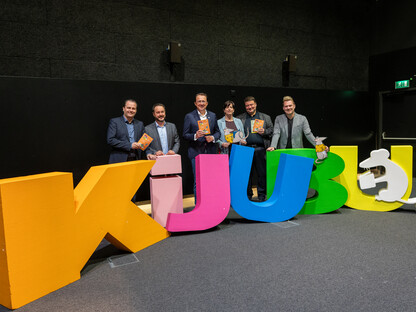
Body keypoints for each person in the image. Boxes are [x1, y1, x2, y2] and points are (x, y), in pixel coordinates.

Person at [183, 93, 221, 199]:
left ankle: (210, 204)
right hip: (196, 153)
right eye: (199, 101)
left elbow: (218, 133)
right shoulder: (189, 116)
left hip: (210, 152)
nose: (201, 103)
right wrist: (195, 135)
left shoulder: (212, 116)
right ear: (195, 103)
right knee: (198, 182)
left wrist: (212, 137)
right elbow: (185, 135)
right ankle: (198, 207)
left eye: (203, 101)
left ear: (207, 103)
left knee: (211, 181)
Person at [237, 96, 273, 202]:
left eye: (251, 104)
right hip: (246, 150)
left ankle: (261, 195)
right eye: (247, 105)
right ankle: (248, 195)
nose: (249, 107)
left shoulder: (265, 117)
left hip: (261, 149)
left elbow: (272, 130)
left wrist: (264, 132)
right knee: (247, 174)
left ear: (255, 104)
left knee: (262, 174)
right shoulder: (240, 118)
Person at [107, 99, 144, 164]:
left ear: (136, 110)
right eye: (128, 108)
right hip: (119, 160)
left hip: (136, 160)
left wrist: (151, 152)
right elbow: (110, 140)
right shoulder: (115, 122)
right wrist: (130, 145)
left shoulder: (140, 124)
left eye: (133, 108)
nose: (131, 110)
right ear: (123, 108)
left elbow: (143, 141)